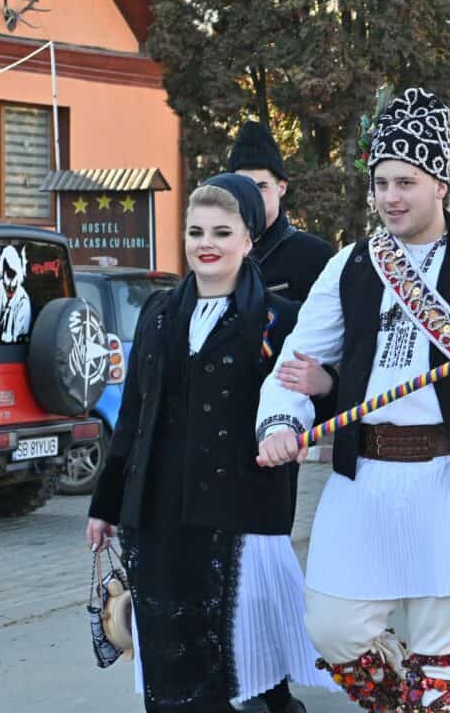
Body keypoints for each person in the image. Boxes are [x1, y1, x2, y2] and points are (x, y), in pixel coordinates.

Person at [254, 88, 450, 713]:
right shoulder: (351, 265)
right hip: (364, 476)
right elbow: (296, 363)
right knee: (334, 629)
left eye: (406, 182)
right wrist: (281, 423)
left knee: (443, 653)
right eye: (381, 184)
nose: (391, 197)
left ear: (439, 184)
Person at [85, 174, 335, 713]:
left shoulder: (279, 321)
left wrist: (324, 388)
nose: (207, 243)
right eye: (196, 230)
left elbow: (318, 404)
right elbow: (133, 418)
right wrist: (105, 506)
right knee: (172, 672)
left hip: (240, 517)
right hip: (156, 513)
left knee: (248, 672)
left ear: (249, 240)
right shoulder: (157, 314)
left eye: (222, 232)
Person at [228, 121, 335, 302]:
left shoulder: (314, 255)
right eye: (243, 186)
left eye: (261, 187)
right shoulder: (219, 251)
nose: (252, 196)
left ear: (281, 188)